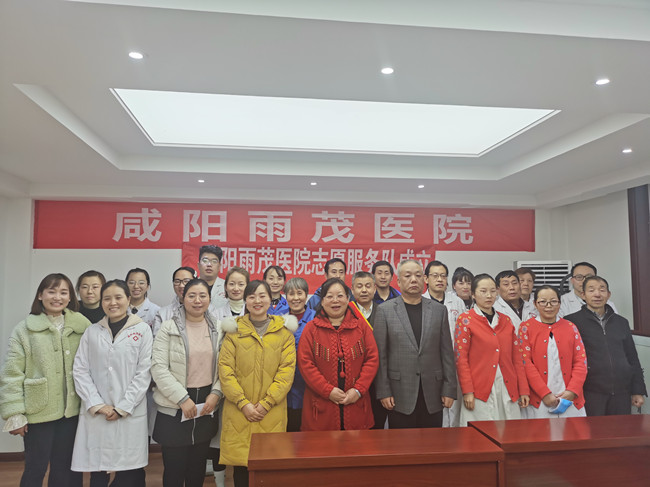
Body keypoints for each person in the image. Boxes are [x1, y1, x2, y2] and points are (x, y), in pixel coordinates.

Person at [0, 273, 90, 487]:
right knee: (35, 467)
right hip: (38, 410)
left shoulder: (82, 326)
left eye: (63, 292)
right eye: (51, 291)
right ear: (40, 295)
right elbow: (12, 373)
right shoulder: (24, 329)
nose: (57, 297)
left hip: (72, 410)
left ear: (70, 297)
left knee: (65, 468)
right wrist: (15, 412)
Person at [71, 279, 153, 486]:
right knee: (98, 470)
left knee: (129, 472)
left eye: (118, 297)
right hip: (98, 413)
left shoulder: (143, 330)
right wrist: (97, 404)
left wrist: (122, 407)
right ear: (101, 302)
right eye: (107, 298)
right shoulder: (92, 331)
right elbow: (80, 370)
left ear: (128, 299)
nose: (113, 303)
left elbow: (144, 373)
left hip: (129, 411)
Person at [218, 280, 297, 487]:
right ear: (245, 300)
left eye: (262, 296)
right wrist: (243, 403)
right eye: (252, 296)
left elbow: (286, 373)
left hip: (271, 412)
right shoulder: (234, 332)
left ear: (271, 299)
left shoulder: (284, 334)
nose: (257, 301)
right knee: (241, 470)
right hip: (239, 412)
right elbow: (226, 371)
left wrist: (266, 403)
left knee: (268, 471)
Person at [151, 279, 223, 487]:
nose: (197, 300)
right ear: (183, 298)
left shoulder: (219, 328)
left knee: (197, 467)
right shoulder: (168, 327)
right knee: (174, 469)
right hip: (175, 404)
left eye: (202, 295)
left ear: (209, 299)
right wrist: (182, 398)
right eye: (192, 295)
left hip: (206, 403)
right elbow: (158, 367)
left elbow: (226, 368)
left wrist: (216, 393)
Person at [373, 259, 457, 429]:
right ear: (398, 281)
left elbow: (446, 353)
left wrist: (449, 389)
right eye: (408, 276)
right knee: (402, 443)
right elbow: (380, 355)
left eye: (418, 275)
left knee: (433, 442)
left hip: (433, 392)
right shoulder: (385, 311)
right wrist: (384, 391)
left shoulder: (439, 310)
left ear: (424, 279)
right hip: (399, 393)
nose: (413, 280)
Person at [298, 278, 379, 431]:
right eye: (329, 296)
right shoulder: (311, 329)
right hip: (320, 409)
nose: (335, 301)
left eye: (340, 296)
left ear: (348, 299)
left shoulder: (361, 327)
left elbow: (372, 359)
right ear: (322, 301)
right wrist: (327, 391)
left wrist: (358, 390)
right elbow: (305, 364)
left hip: (357, 404)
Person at [455, 274, 529, 426]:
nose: (489, 296)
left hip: (507, 385)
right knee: (480, 432)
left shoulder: (505, 320)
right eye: (483, 291)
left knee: (509, 431)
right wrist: (467, 391)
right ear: (473, 294)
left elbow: (517, 358)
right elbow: (461, 359)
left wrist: (523, 389)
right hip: (479, 388)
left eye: (492, 291)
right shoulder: (465, 320)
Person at [565, 276, 647, 416]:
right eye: (591, 290)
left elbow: (632, 358)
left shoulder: (621, 322)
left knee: (620, 429)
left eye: (602, 290)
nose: (597, 294)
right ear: (583, 295)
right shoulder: (571, 322)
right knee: (592, 429)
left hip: (621, 392)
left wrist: (637, 390)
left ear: (608, 294)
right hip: (589, 392)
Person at [518, 285, 587, 419]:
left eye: (553, 301)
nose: (548, 306)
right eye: (543, 302)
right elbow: (526, 363)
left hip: (570, 397)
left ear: (559, 303)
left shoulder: (570, 327)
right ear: (535, 304)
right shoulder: (526, 328)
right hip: (540, 399)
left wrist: (572, 391)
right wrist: (544, 393)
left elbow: (581, 361)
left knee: (574, 431)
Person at [422, 260, 465, 428]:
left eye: (443, 276)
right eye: (435, 276)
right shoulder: (421, 301)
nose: (440, 279)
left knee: (454, 406)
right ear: (426, 279)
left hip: (455, 361)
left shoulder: (457, 302)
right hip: (430, 362)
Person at [283, 277, 316, 432]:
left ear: (306, 295)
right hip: (284, 384)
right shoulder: (279, 319)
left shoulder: (316, 318)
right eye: (291, 294)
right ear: (286, 296)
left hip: (308, 384)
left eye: (299, 293)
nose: (295, 298)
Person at [153, 266, 197, 336]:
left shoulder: (208, 310)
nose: (181, 285)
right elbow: (158, 339)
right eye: (177, 281)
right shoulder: (162, 313)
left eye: (186, 281)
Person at [198, 245, 228, 309]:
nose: (209, 265)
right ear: (199, 265)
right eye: (205, 260)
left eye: (214, 261)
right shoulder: (190, 287)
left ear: (219, 266)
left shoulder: (227, 287)